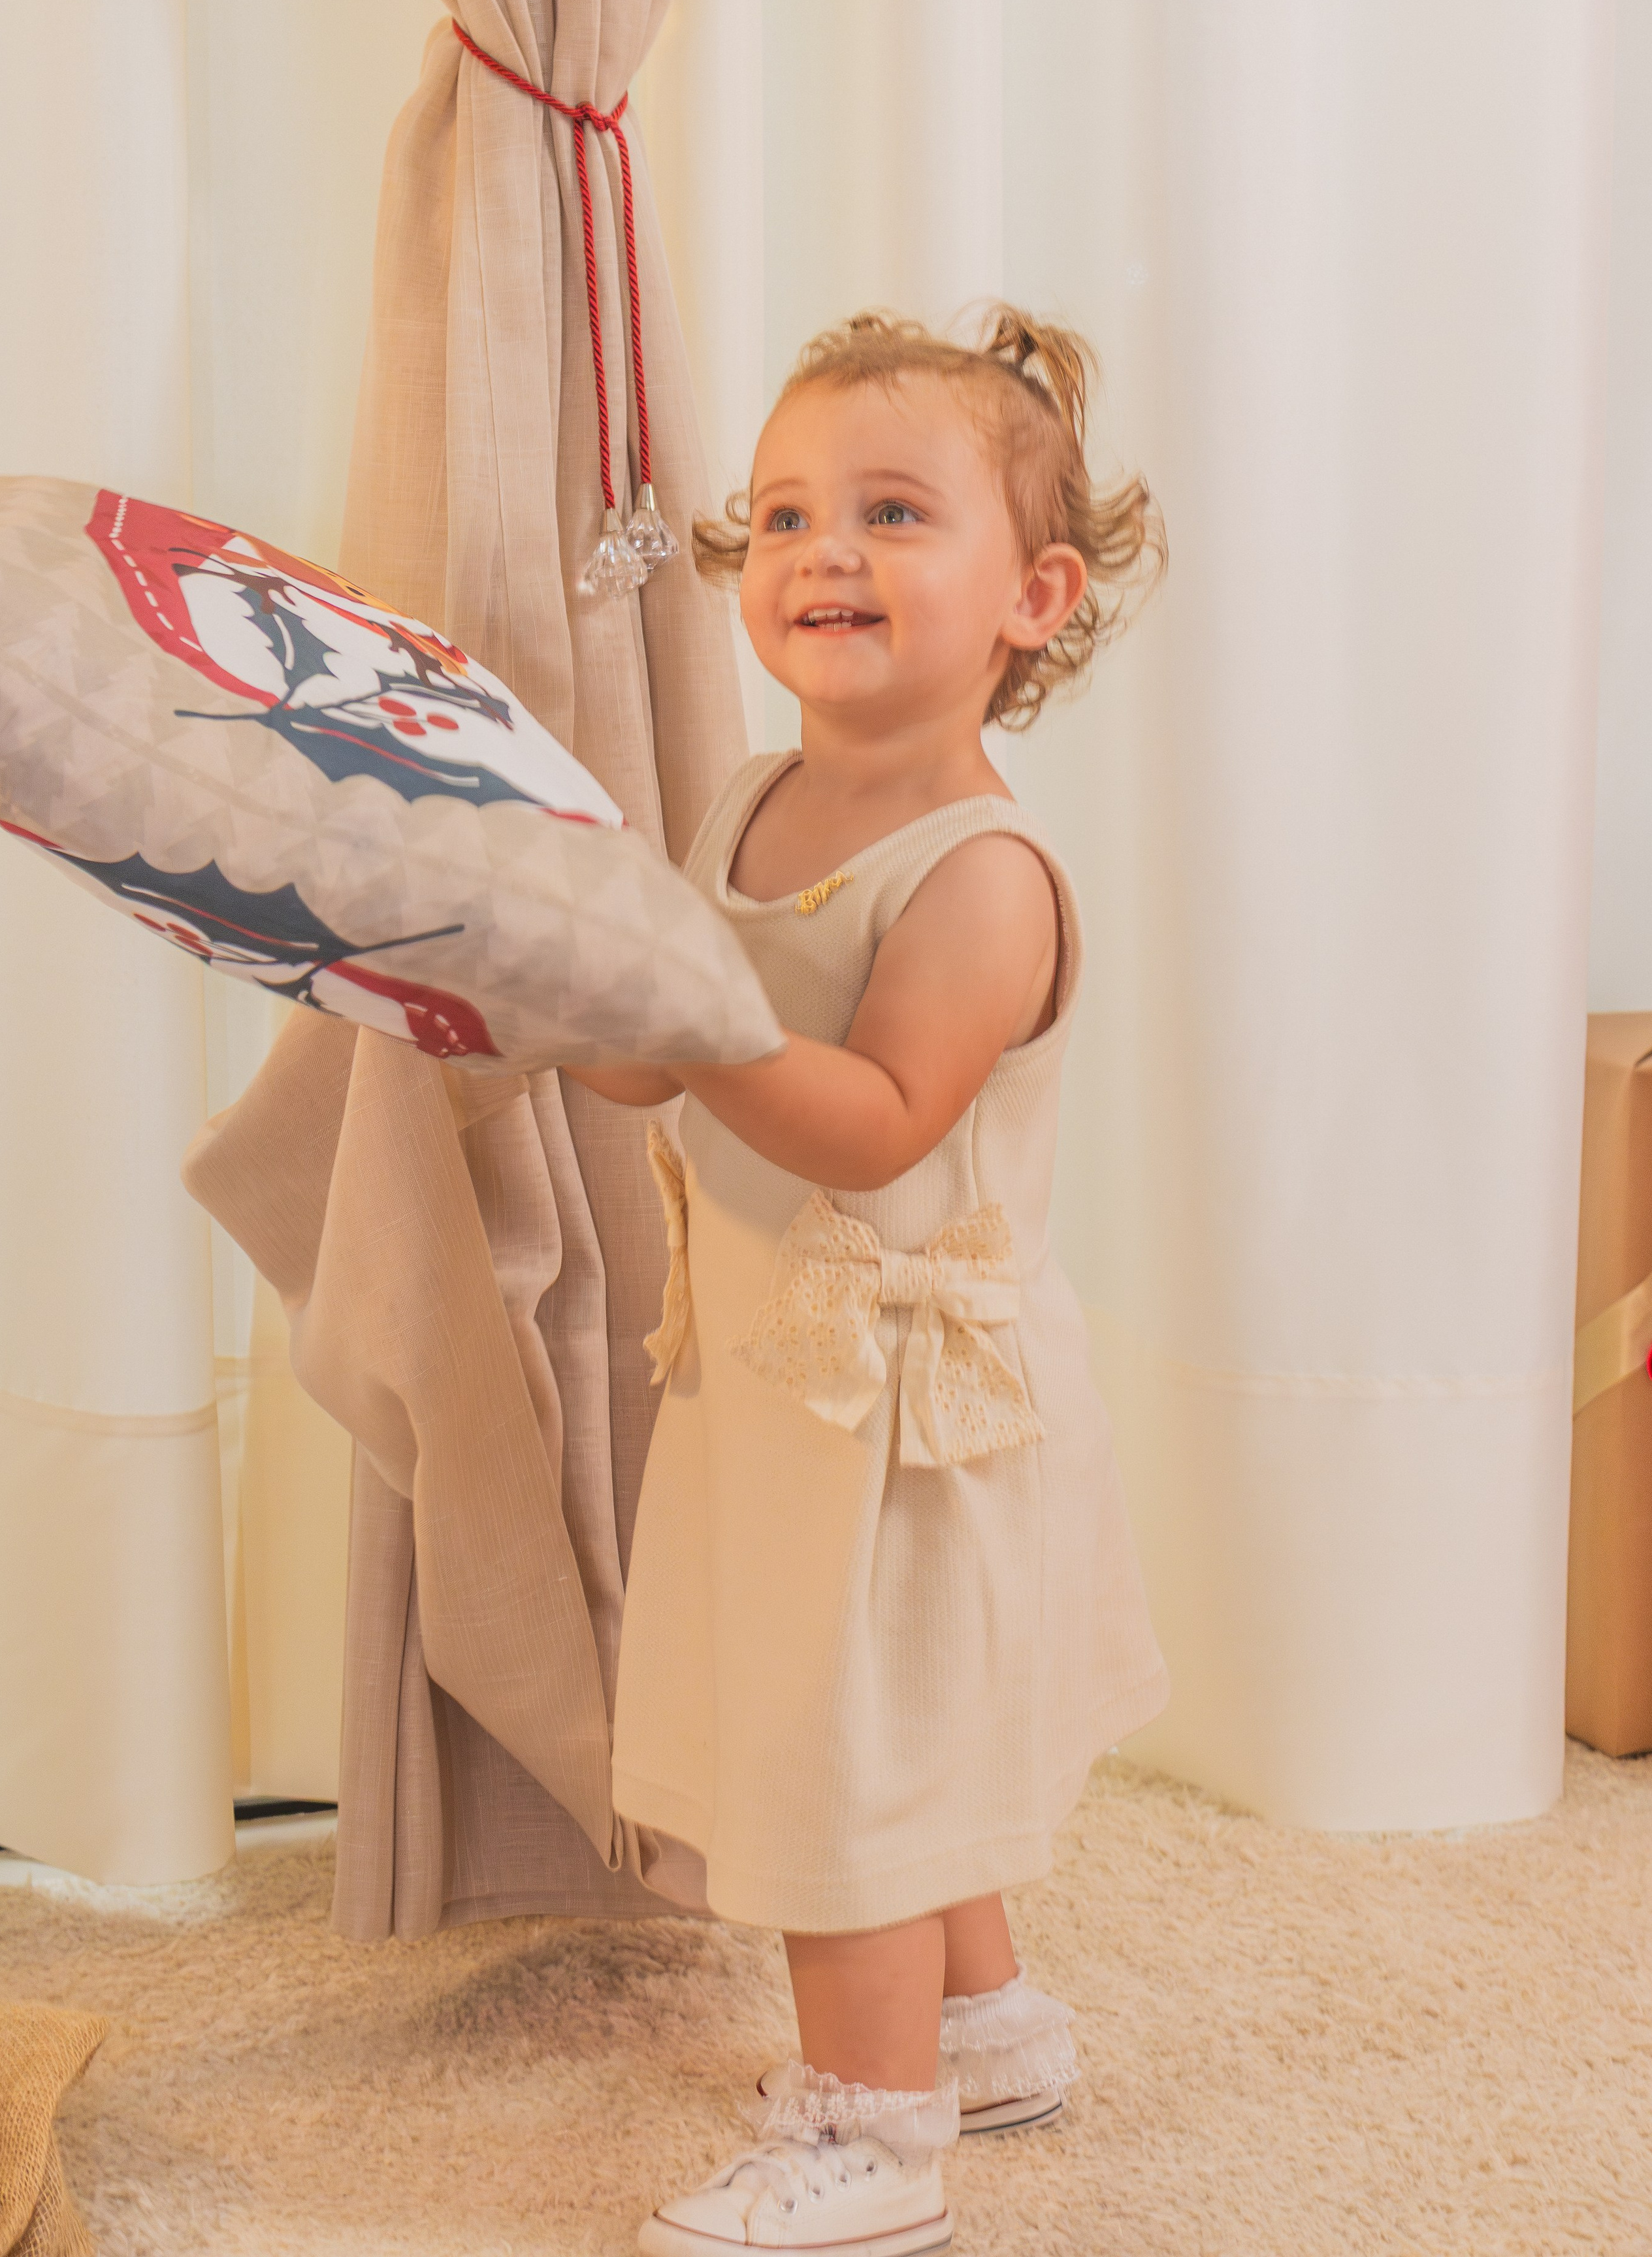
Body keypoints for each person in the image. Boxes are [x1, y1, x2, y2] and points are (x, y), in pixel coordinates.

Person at [570, 308, 1170, 2254]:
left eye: (895, 513)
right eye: (791, 513)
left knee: (859, 1756)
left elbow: (879, 1116)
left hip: (910, 1411)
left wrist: (694, 1011)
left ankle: (877, 2134)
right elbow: (661, 1058)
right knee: (889, 1723)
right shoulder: (747, 800)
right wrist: (575, 1003)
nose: (826, 552)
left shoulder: (983, 873)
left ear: (1036, 596)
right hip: (771, 1379)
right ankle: (984, 2024)